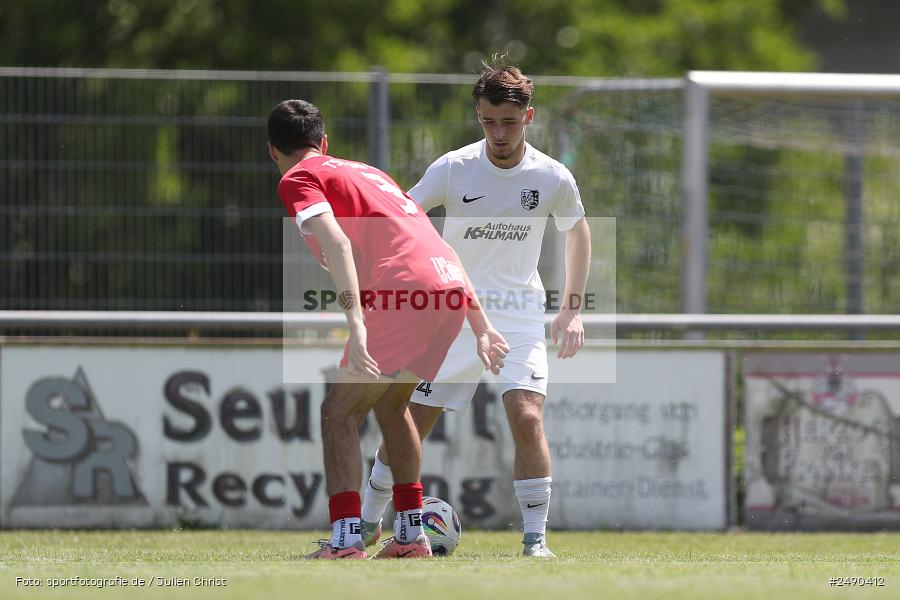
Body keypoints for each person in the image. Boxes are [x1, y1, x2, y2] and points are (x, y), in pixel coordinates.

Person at [360, 61, 591, 558]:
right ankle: (365, 524)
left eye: (508, 122)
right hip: (451, 315)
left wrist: (571, 309)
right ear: (478, 115)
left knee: (526, 417)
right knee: (409, 421)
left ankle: (535, 541)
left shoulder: (552, 177)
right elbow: (405, 218)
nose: (498, 133)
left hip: (517, 314)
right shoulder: (453, 167)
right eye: (488, 121)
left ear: (528, 117)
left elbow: (577, 232)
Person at [268, 99, 508, 560]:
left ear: (272, 152)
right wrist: (481, 324)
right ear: (324, 141)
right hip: (446, 289)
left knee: (339, 412)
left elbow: (335, 241)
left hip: (403, 291)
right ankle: (411, 537)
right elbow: (436, 244)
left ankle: (345, 541)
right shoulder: (367, 172)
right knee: (394, 407)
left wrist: (355, 325)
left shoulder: (299, 177)